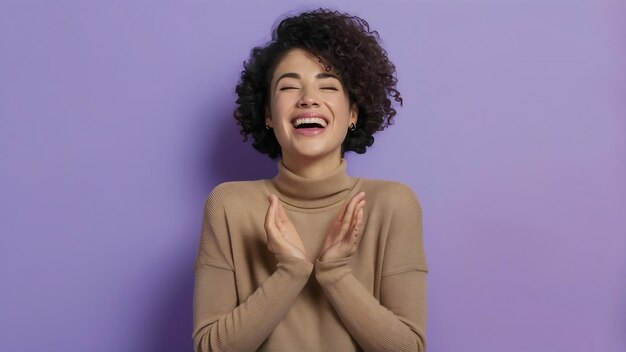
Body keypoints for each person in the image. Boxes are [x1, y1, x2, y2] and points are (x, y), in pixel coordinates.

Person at [192, 8, 428, 352]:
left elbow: (409, 348)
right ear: (269, 116)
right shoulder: (229, 205)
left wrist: (334, 272)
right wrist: (290, 271)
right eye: (289, 86)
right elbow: (210, 348)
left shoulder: (393, 204)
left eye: (328, 86)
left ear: (352, 113)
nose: (308, 98)